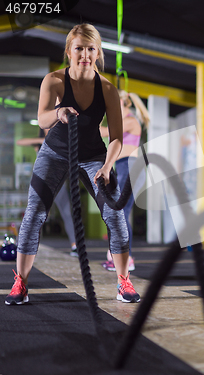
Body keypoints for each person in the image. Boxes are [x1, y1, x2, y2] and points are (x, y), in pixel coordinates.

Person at [5, 23, 140, 305]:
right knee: (34, 214)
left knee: (115, 217)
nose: (85, 54)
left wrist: (106, 166)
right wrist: (59, 111)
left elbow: (116, 138)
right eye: (79, 48)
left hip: (93, 158)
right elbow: (42, 120)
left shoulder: (107, 90)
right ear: (69, 51)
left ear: (98, 52)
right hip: (54, 153)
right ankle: (20, 283)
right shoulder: (53, 80)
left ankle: (123, 282)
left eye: (91, 49)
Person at [100, 90, 149, 272]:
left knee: (122, 212)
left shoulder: (130, 121)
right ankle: (118, 257)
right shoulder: (123, 121)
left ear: (125, 104)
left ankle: (126, 259)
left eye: (115, 104)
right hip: (122, 166)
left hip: (130, 166)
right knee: (118, 213)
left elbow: (104, 131)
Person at [16, 129, 78, 256]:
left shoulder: (61, 138)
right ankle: (23, 245)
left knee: (67, 213)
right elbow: (19, 142)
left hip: (58, 181)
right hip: (43, 181)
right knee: (34, 212)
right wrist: (40, 141)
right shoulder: (40, 142)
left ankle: (75, 246)